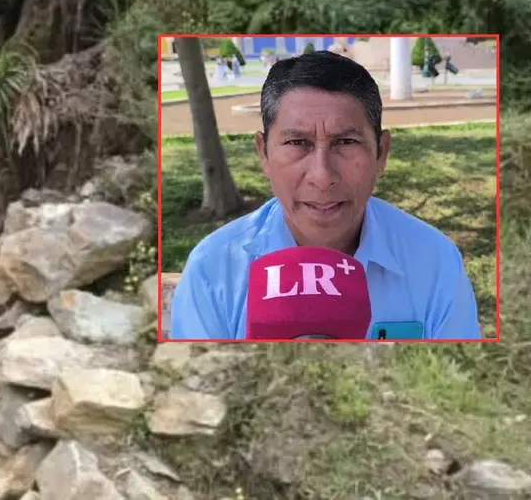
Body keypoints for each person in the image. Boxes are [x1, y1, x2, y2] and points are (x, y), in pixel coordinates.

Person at [170, 51, 481, 340]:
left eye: (345, 142)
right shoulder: (213, 271)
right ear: (263, 153)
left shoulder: (435, 261)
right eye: (297, 143)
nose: (321, 177)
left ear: (381, 153)